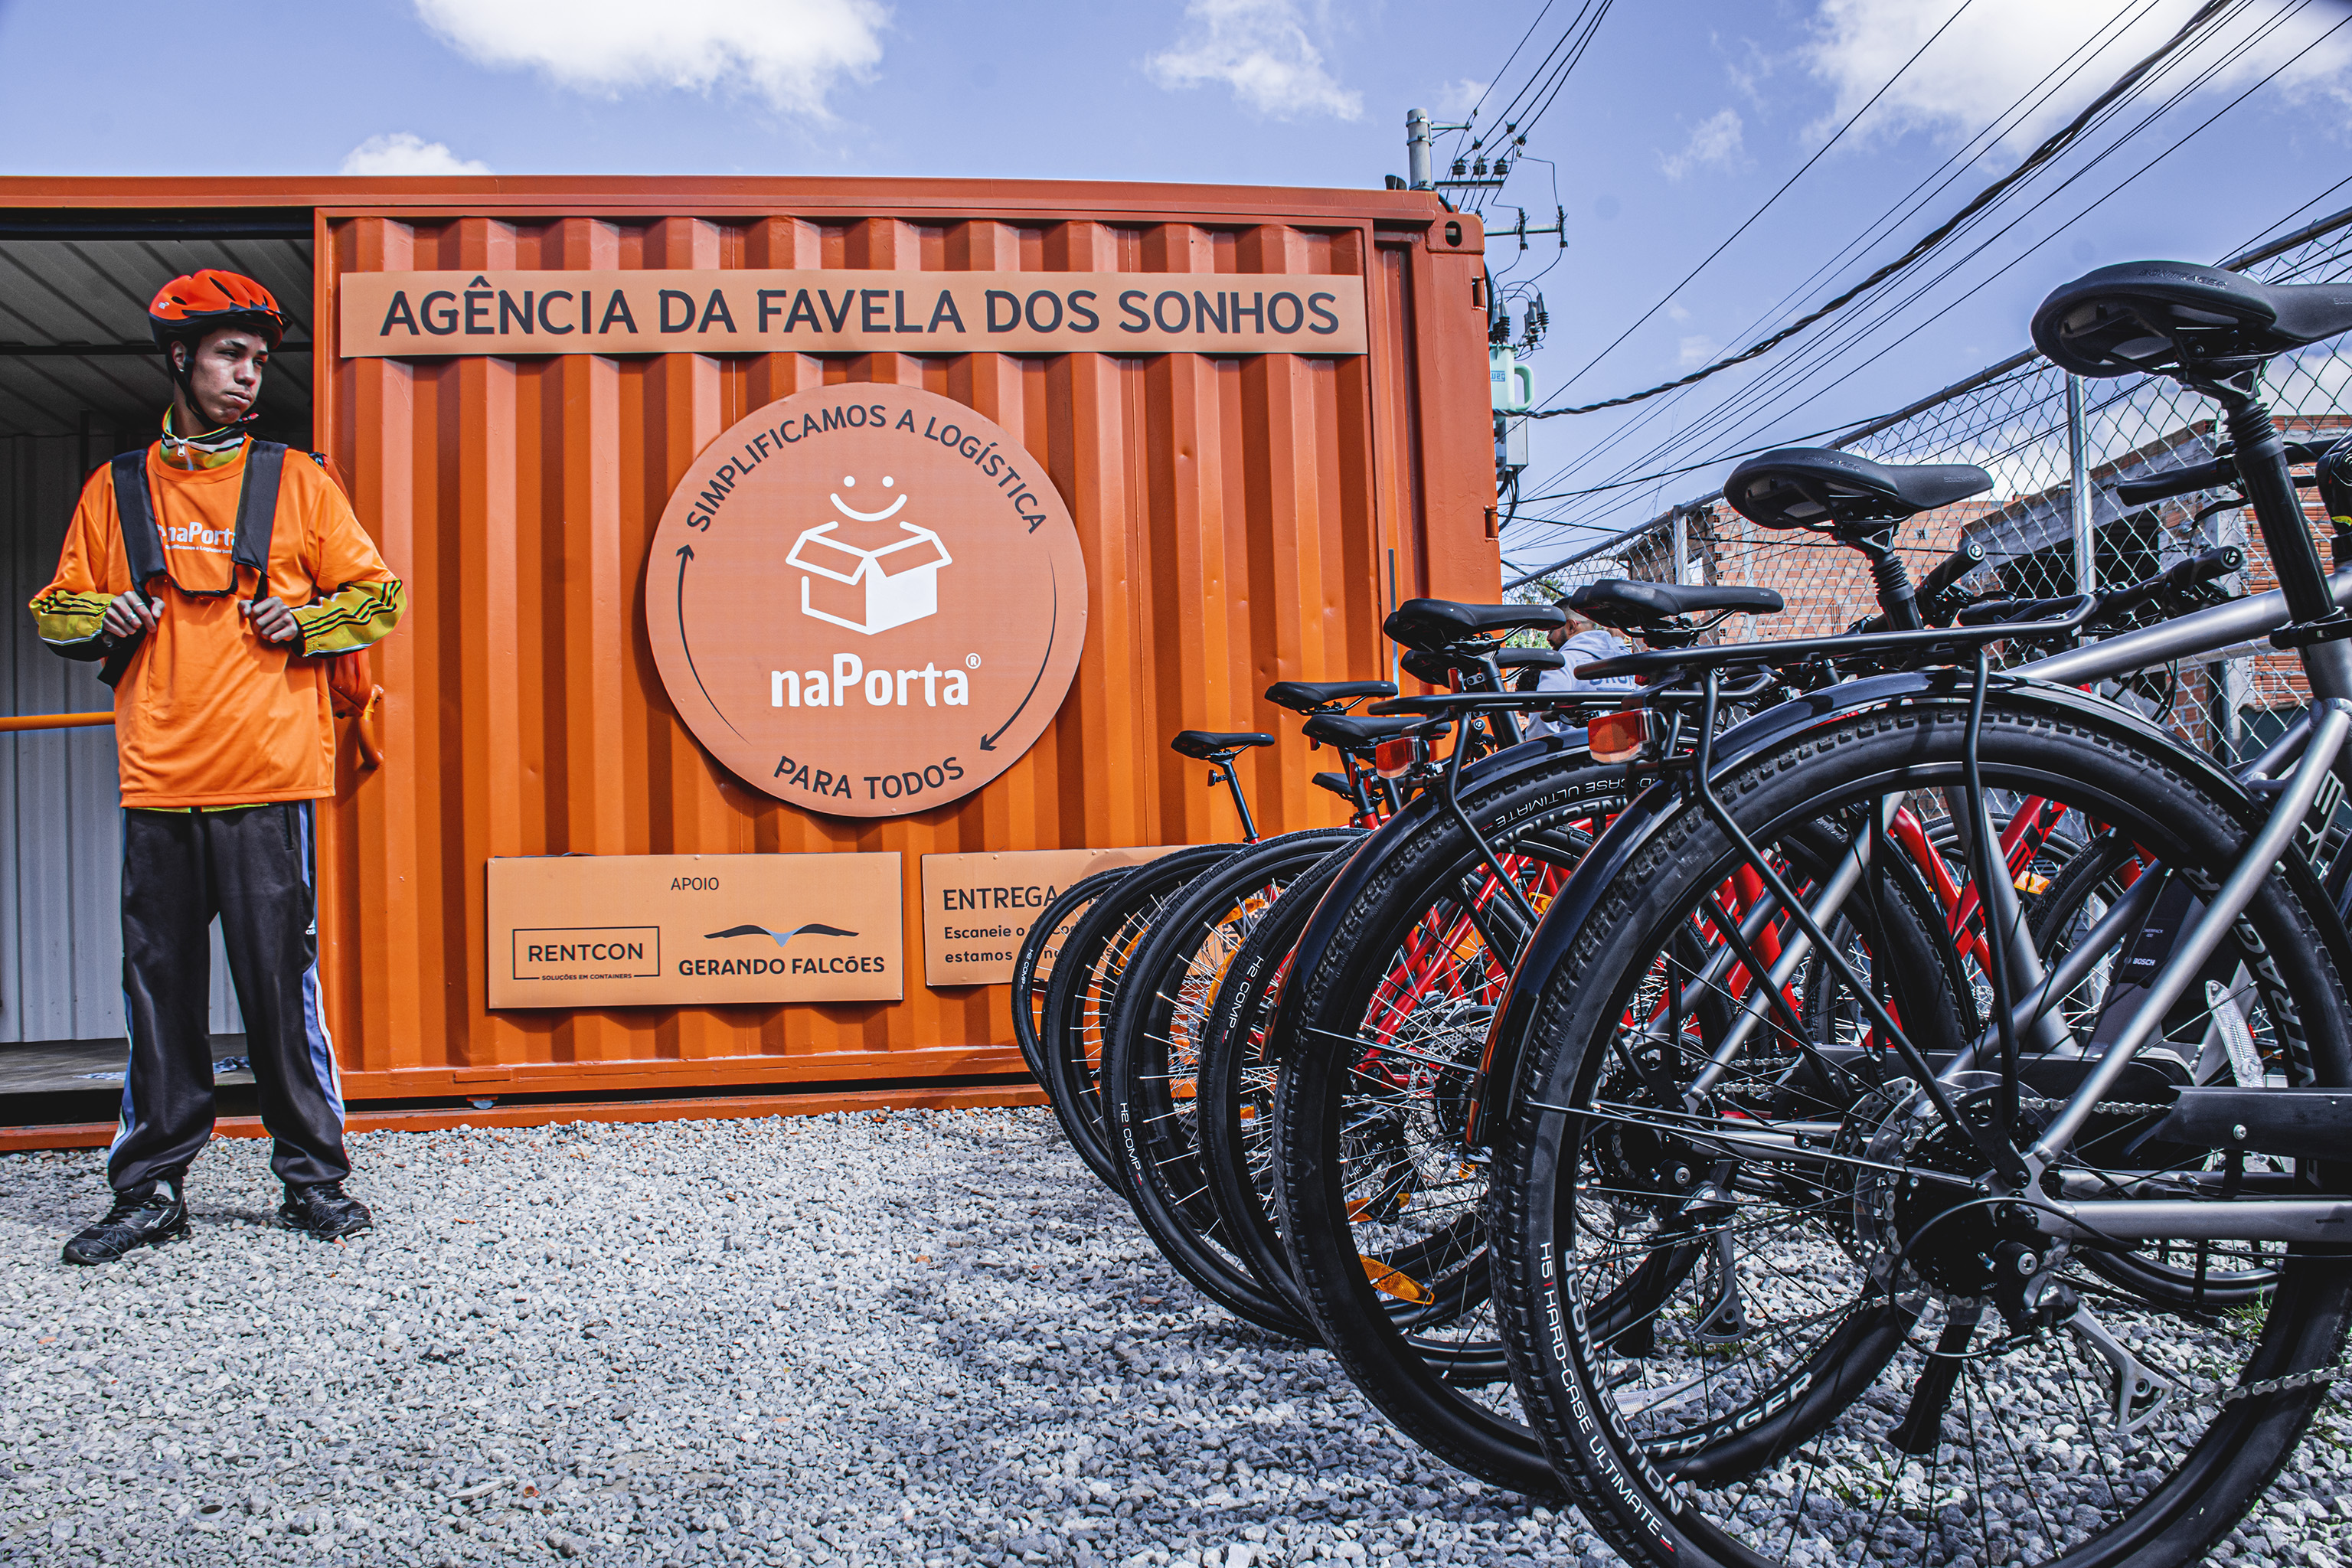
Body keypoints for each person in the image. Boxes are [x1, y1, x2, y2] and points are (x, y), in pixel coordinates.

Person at [29, 270, 407, 1265]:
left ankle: (312, 1185)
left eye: (258, 359)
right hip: (158, 780)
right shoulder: (116, 488)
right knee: (159, 993)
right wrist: (96, 615)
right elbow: (54, 608)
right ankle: (150, 1193)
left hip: (270, 777)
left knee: (281, 991)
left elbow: (379, 597)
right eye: (231, 356)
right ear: (182, 359)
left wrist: (312, 619)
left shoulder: (299, 482)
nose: (249, 375)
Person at [1523, 597, 1639, 744]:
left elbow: (1541, 724)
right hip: (1626, 750)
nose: (1548, 637)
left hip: (1578, 759)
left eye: (1552, 630)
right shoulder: (1625, 659)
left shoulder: (1562, 662)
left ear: (1571, 627)